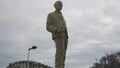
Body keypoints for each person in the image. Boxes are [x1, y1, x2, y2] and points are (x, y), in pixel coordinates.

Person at [46, 1, 68, 68]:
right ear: (54, 5)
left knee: (63, 55)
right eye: (59, 4)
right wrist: (56, 29)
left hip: (65, 36)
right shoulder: (51, 15)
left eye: (61, 4)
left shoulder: (62, 16)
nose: (60, 5)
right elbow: (48, 26)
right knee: (59, 54)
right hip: (58, 35)